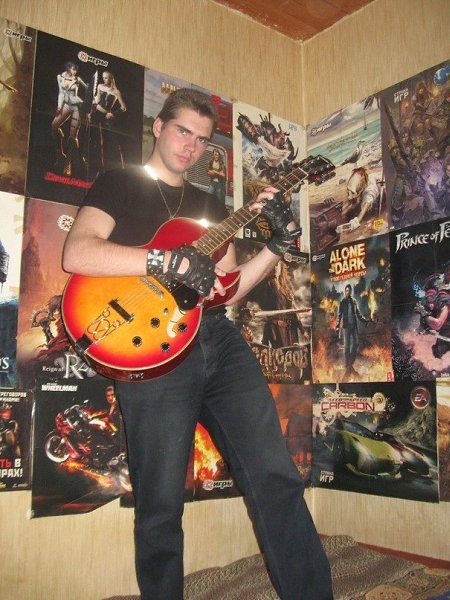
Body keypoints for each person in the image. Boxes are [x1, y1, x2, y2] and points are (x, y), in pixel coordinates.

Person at [62, 88, 333, 600]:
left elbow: (227, 289)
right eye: (183, 131)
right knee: (160, 504)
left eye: (203, 139)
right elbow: (77, 253)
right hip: (151, 350)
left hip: (217, 340)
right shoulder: (118, 183)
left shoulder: (209, 205)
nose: (191, 146)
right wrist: (161, 261)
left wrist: (276, 248)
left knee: (276, 474)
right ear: (159, 127)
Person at [51, 61, 87, 176]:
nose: (75, 72)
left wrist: (92, 104)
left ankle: (68, 163)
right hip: (66, 105)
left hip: (77, 106)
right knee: (54, 126)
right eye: (73, 69)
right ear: (68, 68)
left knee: (72, 136)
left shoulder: (77, 79)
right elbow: (61, 93)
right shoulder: (60, 77)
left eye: (76, 70)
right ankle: (60, 154)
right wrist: (59, 107)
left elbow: (88, 89)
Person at [87, 70, 127, 174]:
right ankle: (95, 168)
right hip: (96, 114)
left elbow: (123, 107)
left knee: (108, 142)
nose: (104, 79)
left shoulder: (116, 92)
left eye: (106, 78)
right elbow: (97, 99)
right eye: (103, 77)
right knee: (95, 140)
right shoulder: (100, 86)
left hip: (106, 117)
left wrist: (113, 114)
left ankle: (109, 169)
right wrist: (93, 101)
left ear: (111, 78)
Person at [335, 283, 369, 379]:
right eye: (346, 291)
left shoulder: (354, 301)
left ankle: (350, 363)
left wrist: (364, 321)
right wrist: (337, 326)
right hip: (346, 327)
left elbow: (358, 314)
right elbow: (339, 315)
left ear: (351, 292)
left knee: (356, 343)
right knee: (346, 346)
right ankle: (348, 365)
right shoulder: (343, 302)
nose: (348, 292)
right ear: (345, 292)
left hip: (353, 326)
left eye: (349, 291)